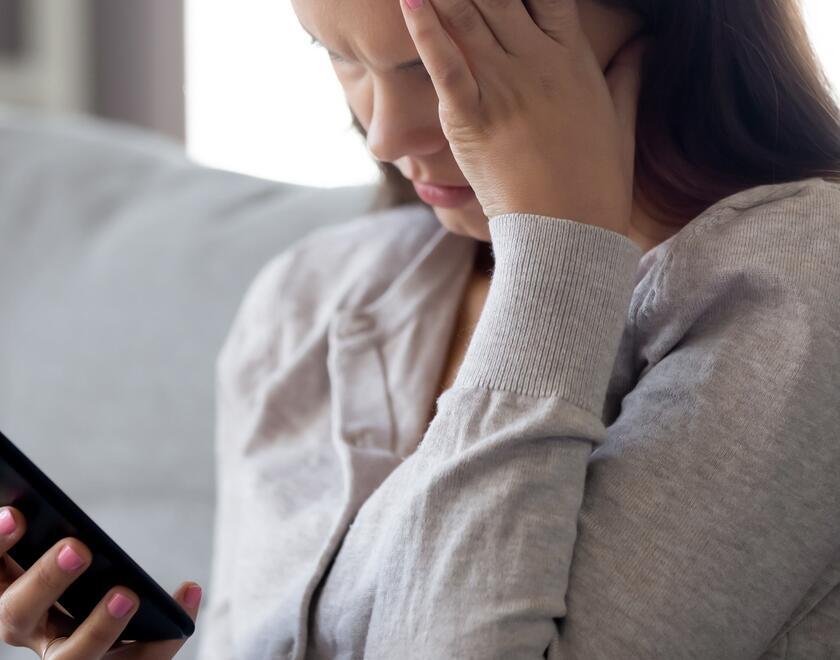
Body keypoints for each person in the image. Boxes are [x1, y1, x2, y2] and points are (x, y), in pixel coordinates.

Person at [0, 1, 838, 659]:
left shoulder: (798, 286)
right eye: (338, 54)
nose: (384, 133)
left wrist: (552, 251)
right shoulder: (314, 298)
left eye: (443, 62)